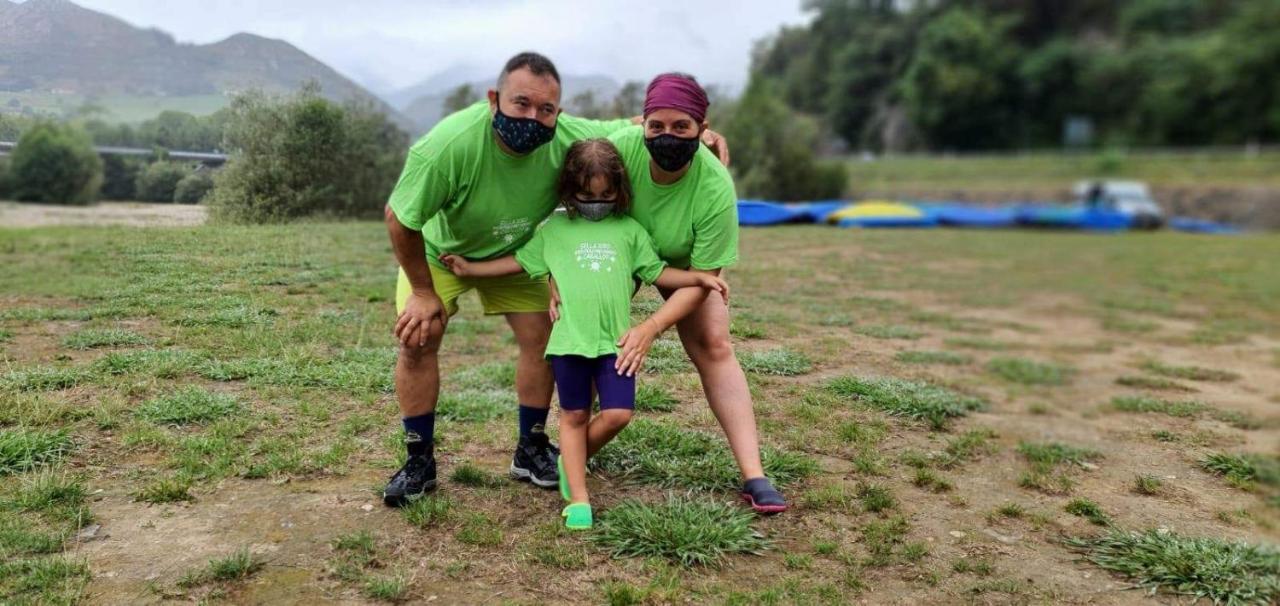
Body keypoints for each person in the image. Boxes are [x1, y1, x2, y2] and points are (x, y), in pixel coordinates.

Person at [382, 52, 729, 507]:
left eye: (546, 109)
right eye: (520, 104)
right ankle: (418, 459)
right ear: (494, 100)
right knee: (418, 336)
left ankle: (531, 448)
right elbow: (399, 218)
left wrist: (703, 134)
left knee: (546, 337)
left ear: (558, 113)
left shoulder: (566, 134)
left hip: (520, 255)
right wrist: (424, 292)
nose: (533, 117)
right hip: (442, 255)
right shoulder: (449, 145)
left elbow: (632, 127)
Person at [441, 139, 728, 529]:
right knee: (574, 416)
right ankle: (578, 498)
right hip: (569, 343)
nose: (597, 202)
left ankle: (568, 461)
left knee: (618, 414)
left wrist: (698, 277)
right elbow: (518, 262)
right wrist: (472, 270)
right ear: (569, 190)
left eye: (606, 194)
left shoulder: (630, 230)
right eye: (586, 195)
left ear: (619, 190)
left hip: (616, 344)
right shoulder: (554, 230)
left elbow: (657, 271)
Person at [600, 73, 788, 512]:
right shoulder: (619, 145)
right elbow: (573, 134)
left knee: (715, 345)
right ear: (642, 125)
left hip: (685, 265)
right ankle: (574, 442)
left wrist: (650, 327)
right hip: (620, 247)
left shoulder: (715, 186)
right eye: (657, 127)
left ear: (702, 129)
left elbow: (704, 279)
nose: (668, 137)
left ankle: (755, 476)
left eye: (681, 127)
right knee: (590, 334)